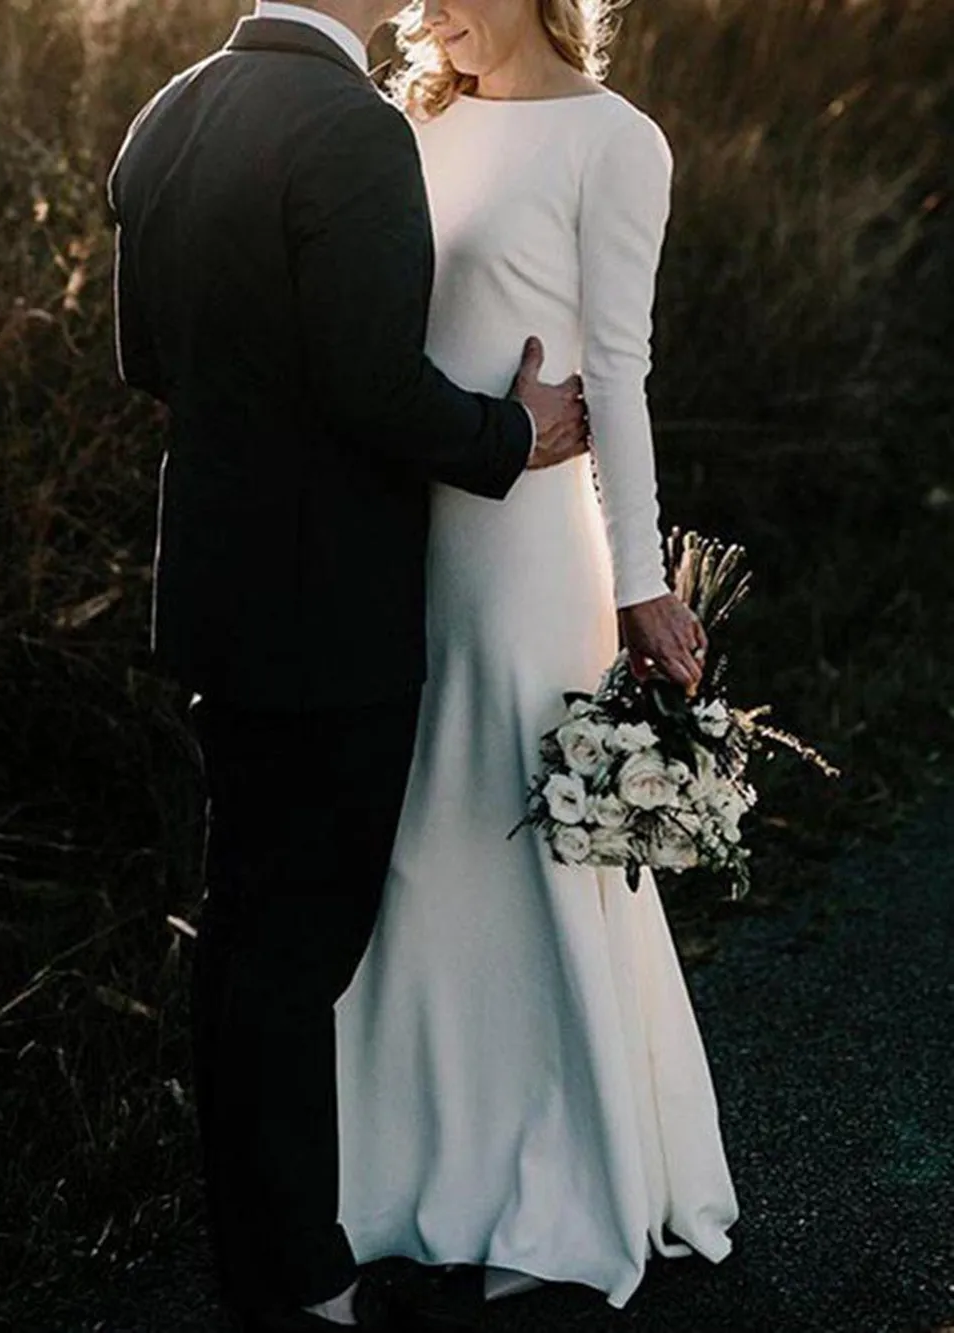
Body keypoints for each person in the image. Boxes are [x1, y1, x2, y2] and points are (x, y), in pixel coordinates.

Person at [106, 0, 595, 1327]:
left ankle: (262, 1260)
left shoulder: (172, 112)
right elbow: (374, 388)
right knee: (297, 945)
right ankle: (301, 1281)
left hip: (216, 591)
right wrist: (517, 431)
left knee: (244, 931)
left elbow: (143, 358)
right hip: (329, 612)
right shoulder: (352, 128)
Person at [333, 0, 739, 1325]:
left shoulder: (616, 141)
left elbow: (618, 374)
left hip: (526, 558)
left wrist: (637, 589)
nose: (427, 13)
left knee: (517, 837)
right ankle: (399, 1165)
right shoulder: (408, 125)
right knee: (408, 839)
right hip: (403, 534)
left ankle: (565, 1172)